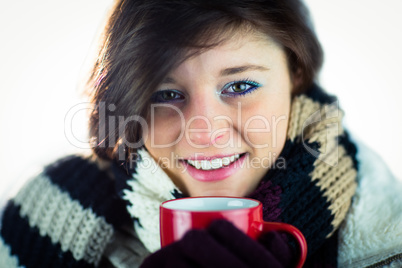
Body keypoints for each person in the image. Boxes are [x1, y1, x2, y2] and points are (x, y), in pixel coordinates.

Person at [1, 0, 401, 267]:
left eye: (240, 86)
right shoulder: (40, 216)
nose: (205, 132)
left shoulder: (389, 231)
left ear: (296, 74)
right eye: (166, 94)